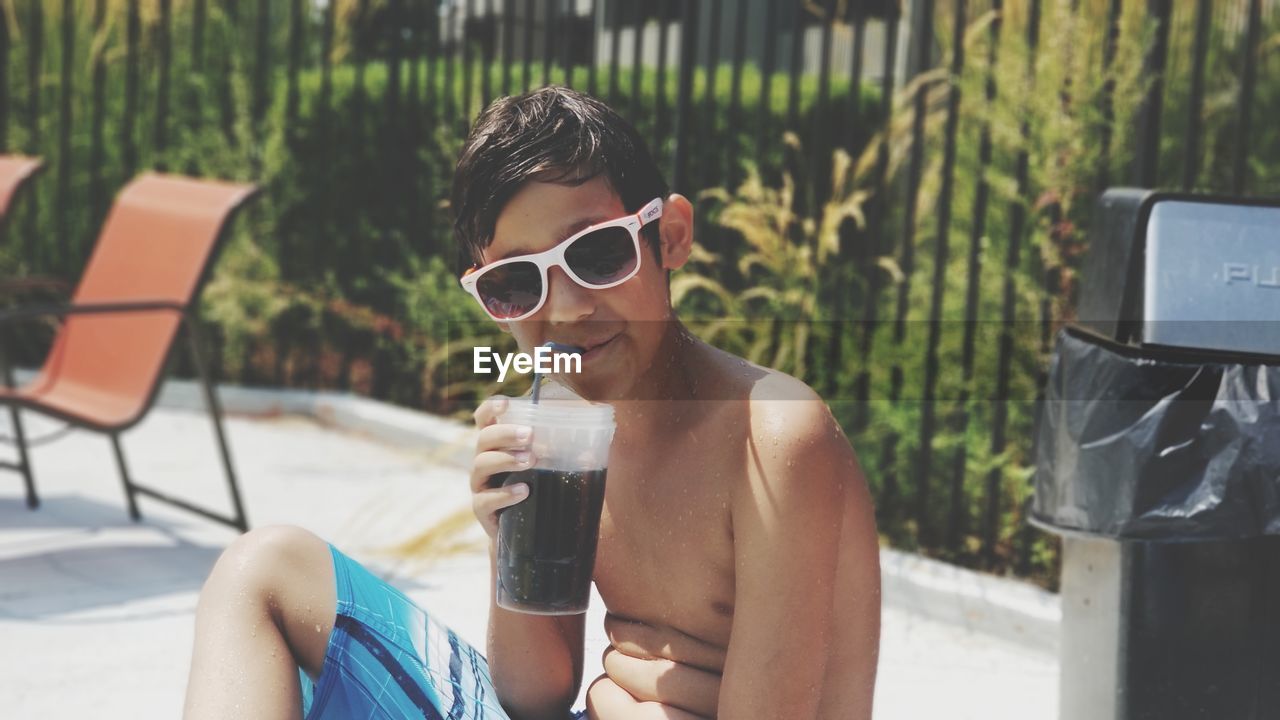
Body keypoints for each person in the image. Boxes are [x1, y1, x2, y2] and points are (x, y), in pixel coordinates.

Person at [183, 85, 881, 720]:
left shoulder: (773, 435)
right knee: (263, 570)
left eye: (599, 254)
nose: (569, 309)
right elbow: (533, 695)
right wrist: (508, 542)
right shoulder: (560, 422)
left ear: (669, 236)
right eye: (519, 283)